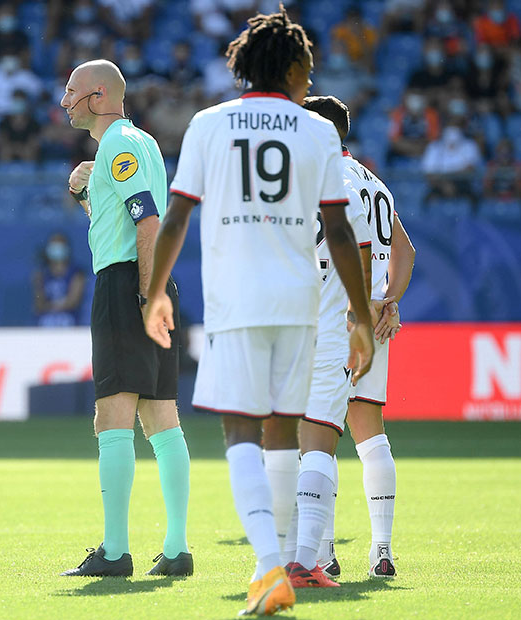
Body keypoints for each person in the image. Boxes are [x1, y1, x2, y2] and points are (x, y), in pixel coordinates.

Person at [142, 8, 374, 615]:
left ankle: (269, 569)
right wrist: (359, 316)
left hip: (235, 300)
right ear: (293, 66)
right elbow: (341, 232)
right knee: (281, 433)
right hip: (299, 301)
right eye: (308, 68)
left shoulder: (209, 124)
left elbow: (176, 217)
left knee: (240, 430)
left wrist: (157, 291)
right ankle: (274, 568)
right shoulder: (318, 132)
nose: (310, 78)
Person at [59, 59, 192, 578]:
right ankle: (177, 548)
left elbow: (148, 221)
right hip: (150, 280)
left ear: (96, 96)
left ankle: (115, 552)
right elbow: (121, 217)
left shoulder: (115, 143)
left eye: (71, 91)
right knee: (161, 417)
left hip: (126, 284)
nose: (64, 100)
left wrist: (143, 294)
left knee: (111, 418)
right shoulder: (143, 143)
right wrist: (84, 194)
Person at [271, 96, 373, 589]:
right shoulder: (340, 186)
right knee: (319, 441)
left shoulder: (275, 185)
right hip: (329, 329)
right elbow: (360, 251)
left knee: (283, 444)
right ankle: (305, 563)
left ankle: (283, 556)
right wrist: (361, 321)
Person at [313, 100, 416, 579]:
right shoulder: (376, 182)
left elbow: (344, 247)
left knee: (317, 434)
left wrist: (358, 308)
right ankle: (382, 551)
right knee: (371, 436)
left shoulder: (330, 177)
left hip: (341, 317)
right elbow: (405, 251)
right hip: (376, 319)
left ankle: (324, 551)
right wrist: (389, 301)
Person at [32, 232, 86, 327]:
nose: (57, 249)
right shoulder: (41, 274)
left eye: (60, 245)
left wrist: (51, 306)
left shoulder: (76, 273)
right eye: (54, 245)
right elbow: (38, 303)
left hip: (70, 321)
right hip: (44, 321)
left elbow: (74, 301)